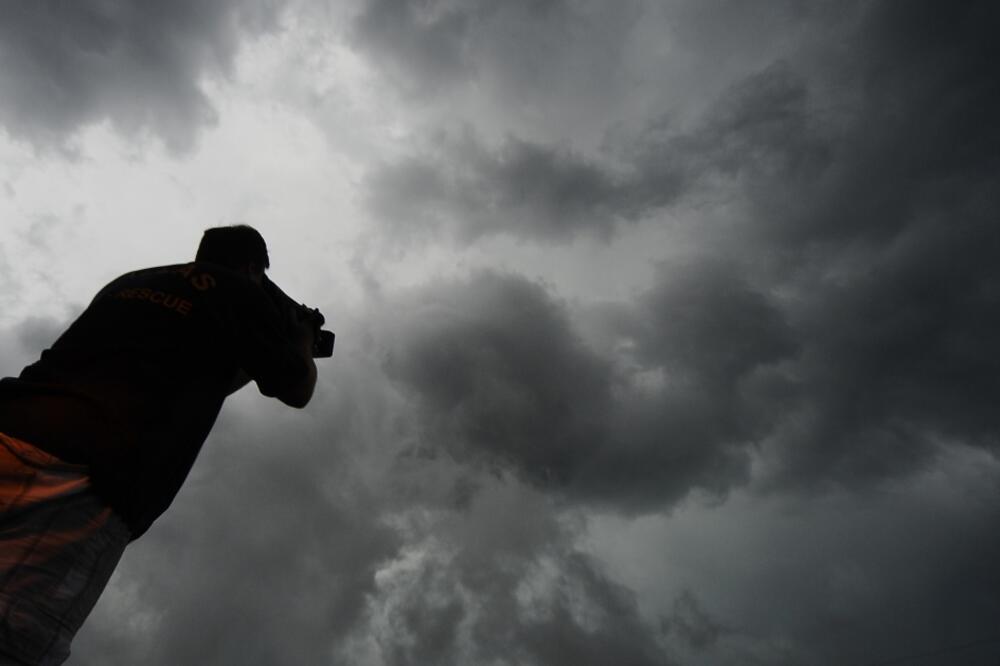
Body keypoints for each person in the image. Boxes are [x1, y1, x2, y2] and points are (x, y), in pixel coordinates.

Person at [0, 225, 320, 665]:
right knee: (15, 635)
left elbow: (186, 374)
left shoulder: (131, 282)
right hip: (85, 476)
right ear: (252, 268)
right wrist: (302, 337)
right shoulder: (243, 295)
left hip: (11, 426)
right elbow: (295, 388)